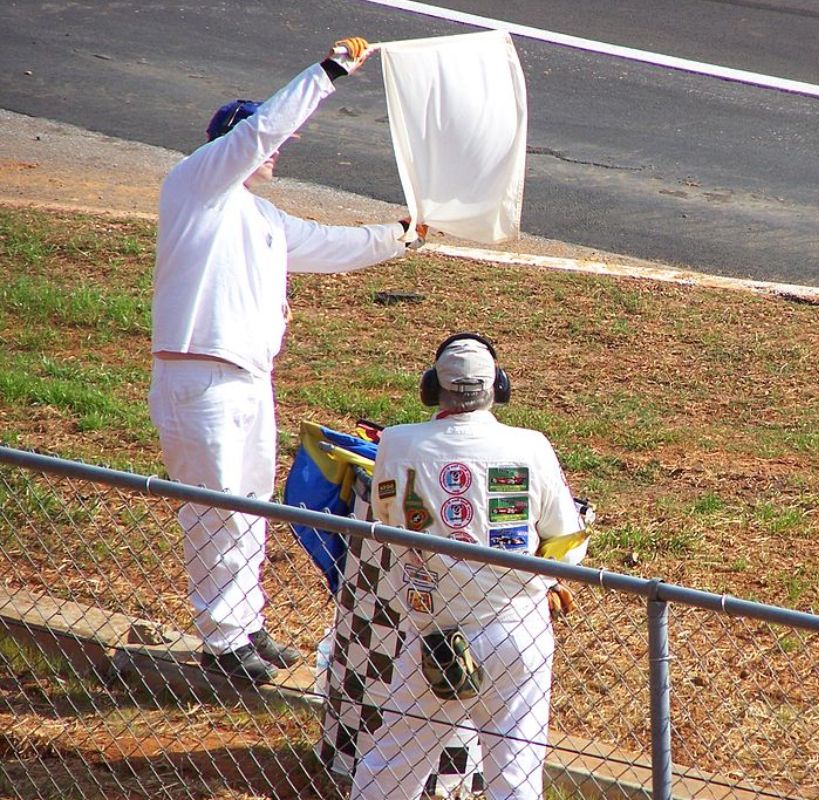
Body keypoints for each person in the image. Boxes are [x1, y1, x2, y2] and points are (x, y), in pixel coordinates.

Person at [149, 37, 420, 684]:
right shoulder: (195, 187)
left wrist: (402, 236)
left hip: (248, 379)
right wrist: (328, 72)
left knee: (251, 506)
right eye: (262, 143)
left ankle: (244, 624)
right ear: (231, 144)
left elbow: (331, 245)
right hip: (198, 374)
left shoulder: (263, 217)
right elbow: (263, 129)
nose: (274, 152)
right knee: (215, 507)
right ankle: (222, 639)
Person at [351, 333, 591, 800]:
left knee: (392, 766)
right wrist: (543, 579)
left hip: (433, 632)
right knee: (516, 771)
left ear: (430, 387)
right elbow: (567, 538)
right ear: (498, 386)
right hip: (517, 629)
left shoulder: (398, 444)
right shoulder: (531, 446)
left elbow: (385, 517)